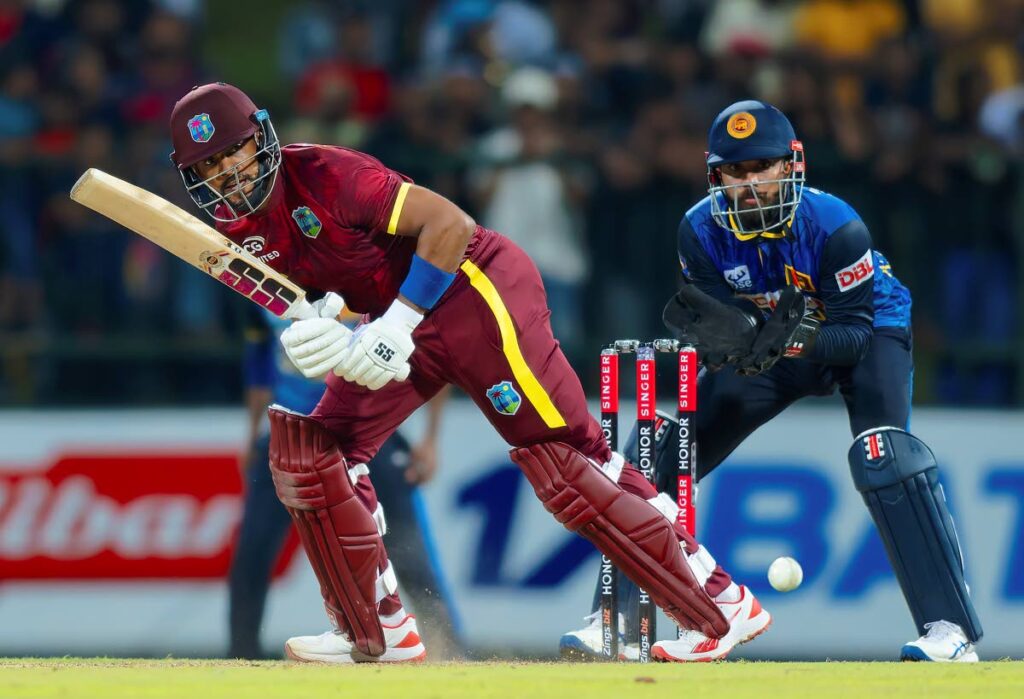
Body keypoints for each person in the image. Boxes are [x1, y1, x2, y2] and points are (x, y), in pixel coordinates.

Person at [168, 81, 767, 664]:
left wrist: (396, 323)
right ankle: (375, 631)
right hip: (399, 320)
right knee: (312, 452)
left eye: (232, 153)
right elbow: (336, 284)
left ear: (261, 139)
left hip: (475, 291)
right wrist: (326, 325)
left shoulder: (327, 173)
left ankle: (722, 604)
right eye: (210, 167)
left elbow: (449, 225)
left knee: (565, 460)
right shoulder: (240, 228)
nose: (228, 174)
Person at [561, 100, 982, 663]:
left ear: (791, 165)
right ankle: (622, 621)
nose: (751, 182)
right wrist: (734, 345)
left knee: (885, 457)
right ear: (716, 177)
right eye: (736, 171)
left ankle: (950, 633)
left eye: (763, 166)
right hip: (774, 347)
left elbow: (854, 337)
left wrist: (791, 340)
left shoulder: (837, 227)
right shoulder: (699, 231)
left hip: (864, 333)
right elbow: (716, 325)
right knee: (666, 450)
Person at [227, 302, 462, 660]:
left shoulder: (364, 275)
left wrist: (430, 438)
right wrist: (251, 433)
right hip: (289, 434)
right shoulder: (264, 285)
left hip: (366, 433)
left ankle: (451, 653)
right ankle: (241, 658)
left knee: (408, 555)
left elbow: (431, 353)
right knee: (252, 555)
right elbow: (260, 361)